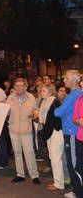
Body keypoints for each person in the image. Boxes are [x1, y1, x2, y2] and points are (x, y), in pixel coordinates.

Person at [6, 78, 40, 185]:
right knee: (17, 153)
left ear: (25, 87)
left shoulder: (31, 97)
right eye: (16, 85)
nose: (18, 87)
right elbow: (6, 111)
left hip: (26, 130)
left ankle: (34, 175)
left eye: (21, 85)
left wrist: (34, 114)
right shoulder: (10, 98)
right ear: (14, 87)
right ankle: (20, 174)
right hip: (13, 129)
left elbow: (36, 110)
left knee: (29, 153)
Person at [54, 70, 82, 198]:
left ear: (74, 80)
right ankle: (76, 189)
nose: (64, 80)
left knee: (74, 163)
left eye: (66, 78)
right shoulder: (75, 94)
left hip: (71, 132)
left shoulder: (73, 95)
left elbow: (58, 112)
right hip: (71, 131)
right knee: (74, 162)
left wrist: (56, 108)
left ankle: (77, 191)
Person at [38, 85, 64, 190]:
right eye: (41, 90)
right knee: (53, 158)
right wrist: (41, 123)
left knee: (56, 159)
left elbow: (53, 121)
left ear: (50, 92)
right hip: (50, 133)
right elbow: (44, 119)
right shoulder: (45, 102)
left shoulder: (54, 103)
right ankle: (57, 181)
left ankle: (59, 184)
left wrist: (43, 133)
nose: (41, 92)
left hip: (55, 133)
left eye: (43, 90)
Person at [72, 94, 83, 198]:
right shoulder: (79, 99)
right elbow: (74, 118)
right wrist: (78, 121)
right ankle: (79, 193)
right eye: (81, 86)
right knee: (79, 167)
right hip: (80, 138)